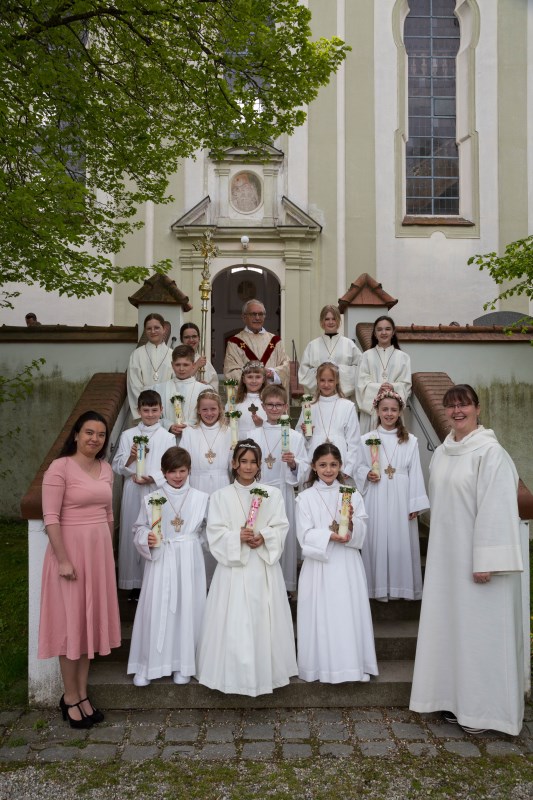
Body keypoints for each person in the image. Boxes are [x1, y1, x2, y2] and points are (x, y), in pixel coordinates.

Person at [410, 384, 524, 736]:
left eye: (463, 405)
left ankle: (483, 711)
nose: (457, 411)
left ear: (477, 408)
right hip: (447, 561)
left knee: (479, 636)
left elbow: (497, 508)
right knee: (451, 631)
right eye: (451, 406)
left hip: (478, 564)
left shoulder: (490, 453)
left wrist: (485, 560)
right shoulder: (444, 452)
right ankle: (453, 699)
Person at [38, 411, 121, 728]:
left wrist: (108, 554)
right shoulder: (60, 468)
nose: (94, 439)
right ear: (76, 434)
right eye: (89, 432)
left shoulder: (106, 468)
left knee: (88, 627)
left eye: (100, 434)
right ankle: (69, 697)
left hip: (97, 558)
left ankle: (83, 693)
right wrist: (63, 560)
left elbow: (108, 515)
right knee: (71, 625)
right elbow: (51, 517)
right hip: (69, 557)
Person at [196, 439, 298, 696]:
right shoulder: (220, 496)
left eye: (253, 462)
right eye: (243, 461)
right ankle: (230, 676)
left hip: (261, 566)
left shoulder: (272, 494)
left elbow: (281, 526)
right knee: (234, 620)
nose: (248, 466)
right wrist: (236, 537)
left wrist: (264, 536)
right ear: (234, 463)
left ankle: (267, 674)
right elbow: (214, 534)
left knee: (264, 617)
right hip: (233, 568)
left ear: (259, 465)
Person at [296, 443, 378, 684]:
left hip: (346, 562)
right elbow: (303, 534)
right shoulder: (304, 498)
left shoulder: (351, 494)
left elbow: (363, 525)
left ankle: (353, 666)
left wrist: (352, 526)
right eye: (323, 465)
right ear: (313, 467)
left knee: (348, 612)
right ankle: (320, 667)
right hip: (320, 565)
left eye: (333, 465)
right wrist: (329, 536)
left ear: (341, 466)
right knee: (323, 615)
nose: (328, 470)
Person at [127, 447, 209, 687]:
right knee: (156, 606)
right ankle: (148, 663)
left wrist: (195, 542)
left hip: (188, 559)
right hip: (162, 558)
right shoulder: (152, 498)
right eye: (172, 471)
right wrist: (146, 539)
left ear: (189, 470)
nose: (177, 476)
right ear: (163, 472)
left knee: (187, 608)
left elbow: (208, 531)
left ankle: (183, 663)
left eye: (182, 471)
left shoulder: (201, 498)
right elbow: (139, 528)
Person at [356, 390, 429, 601]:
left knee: (399, 542)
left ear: (400, 412)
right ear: (377, 411)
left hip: (401, 495)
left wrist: (414, 503)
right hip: (376, 495)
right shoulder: (366, 440)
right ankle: (376, 588)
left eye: (393, 410)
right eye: (385, 409)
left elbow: (415, 471)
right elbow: (357, 468)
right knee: (376, 540)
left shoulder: (410, 441)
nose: (389, 414)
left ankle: (401, 588)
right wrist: (366, 474)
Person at [244, 384, 309, 592]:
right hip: (258, 493)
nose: (274, 409)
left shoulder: (295, 437)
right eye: (270, 405)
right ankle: (259, 586)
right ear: (262, 406)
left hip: (283, 493)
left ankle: (283, 587)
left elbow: (306, 470)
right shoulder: (253, 435)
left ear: (286, 407)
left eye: (278, 405)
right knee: (259, 537)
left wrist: (293, 464)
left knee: (281, 539)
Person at [111, 390, 175, 600]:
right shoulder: (128, 435)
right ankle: (133, 583)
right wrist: (130, 457)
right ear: (139, 411)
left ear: (161, 410)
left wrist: (154, 477)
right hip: (133, 489)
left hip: (156, 489)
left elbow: (171, 465)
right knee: (133, 530)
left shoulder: (167, 437)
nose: (149, 414)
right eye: (145, 410)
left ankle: (153, 580)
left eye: (154, 410)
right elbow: (117, 466)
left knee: (154, 530)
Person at [181, 390, 233, 586]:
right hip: (197, 483)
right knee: (198, 530)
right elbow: (185, 461)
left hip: (221, 483)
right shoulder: (189, 431)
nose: (209, 413)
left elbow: (232, 463)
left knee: (219, 529)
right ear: (198, 411)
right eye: (205, 409)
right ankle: (199, 581)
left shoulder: (229, 431)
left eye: (213, 409)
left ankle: (219, 581)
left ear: (220, 409)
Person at [296, 362, 361, 480]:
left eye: (330, 380)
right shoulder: (308, 406)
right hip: (314, 460)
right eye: (322, 380)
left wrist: (349, 468)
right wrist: (306, 435)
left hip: (340, 461)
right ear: (317, 380)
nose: (326, 385)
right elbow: (298, 440)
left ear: (337, 381)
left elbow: (354, 441)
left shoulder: (347, 406)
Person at [356, 315, 411, 434]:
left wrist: (393, 387)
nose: (383, 332)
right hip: (372, 413)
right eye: (379, 329)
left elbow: (406, 384)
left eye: (387, 329)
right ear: (375, 334)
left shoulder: (403, 357)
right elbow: (361, 384)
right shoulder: (366, 356)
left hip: (393, 411)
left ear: (393, 332)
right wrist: (378, 388)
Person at [298, 304, 362, 401]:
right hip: (319, 398)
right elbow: (304, 371)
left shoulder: (349, 344)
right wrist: (321, 372)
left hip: (343, 398)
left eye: (334, 319)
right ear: (322, 322)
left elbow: (360, 368)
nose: (331, 322)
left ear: (338, 321)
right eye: (327, 319)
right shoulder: (312, 345)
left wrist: (339, 371)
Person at [223, 299, 290, 391]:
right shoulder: (235, 342)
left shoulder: (275, 341)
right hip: (247, 396)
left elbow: (285, 365)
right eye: (253, 314)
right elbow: (231, 371)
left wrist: (272, 373)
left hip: (271, 394)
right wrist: (254, 379)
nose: (258, 318)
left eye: (261, 314)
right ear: (244, 317)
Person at [152, 345, 205, 436]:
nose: (181, 369)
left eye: (185, 365)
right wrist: (168, 425)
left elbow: (209, 417)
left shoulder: (203, 389)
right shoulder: (159, 389)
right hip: (166, 438)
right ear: (172, 365)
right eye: (177, 364)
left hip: (194, 438)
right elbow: (151, 416)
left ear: (193, 365)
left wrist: (188, 426)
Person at [127, 313, 173, 417]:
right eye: (149, 328)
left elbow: (175, 383)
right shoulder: (137, 354)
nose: (153, 331)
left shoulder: (172, 354)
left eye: (156, 327)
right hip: (145, 411)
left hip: (167, 409)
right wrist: (146, 411)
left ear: (164, 329)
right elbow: (134, 385)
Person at [231, 360, 267, 438]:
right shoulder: (234, 401)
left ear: (263, 379)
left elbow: (275, 425)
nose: (254, 381)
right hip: (240, 444)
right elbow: (228, 425)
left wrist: (262, 424)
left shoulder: (269, 401)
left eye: (258, 377)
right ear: (244, 379)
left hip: (262, 444)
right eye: (250, 377)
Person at [180, 322, 219, 391]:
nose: (191, 340)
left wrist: (207, 387)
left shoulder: (205, 362)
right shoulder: (177, 359)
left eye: (194, 336)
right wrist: (197, 365)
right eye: (187, 337)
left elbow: (214, 387)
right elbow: (178, 382)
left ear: (199, 338)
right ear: (181, 340)